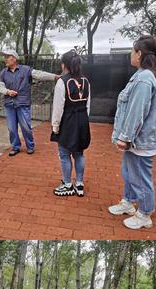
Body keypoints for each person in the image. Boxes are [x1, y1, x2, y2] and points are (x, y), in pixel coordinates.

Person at [108, 35, 156, 230]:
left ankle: (145, 213)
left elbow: (137, 112)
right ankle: (128, 202)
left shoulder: (144, 79)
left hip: (139, 140)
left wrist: (126, 137)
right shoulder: (139, 76)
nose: (131, 54)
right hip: (134, 140)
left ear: (140, 53)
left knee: (140, 176)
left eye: (132, 50)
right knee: (128, 172)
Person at [0, 49, 59, 156]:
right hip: (9, 105)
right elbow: (0, 86)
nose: (5, 59)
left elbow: (39, 74)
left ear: (15, 58)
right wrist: (7, 92)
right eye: (5, 57)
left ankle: (30, 146)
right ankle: (15, 146)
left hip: (23, 103)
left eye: (7, 56)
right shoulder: (3, 72)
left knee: (26, 127)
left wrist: (54, 76)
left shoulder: (26, 70)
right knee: (12, 128)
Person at [51, 50, 91, 197]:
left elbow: (58, 107)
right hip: (82, 120)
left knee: (64, 153)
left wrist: (55, 126)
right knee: (79, 153)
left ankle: (67, 184)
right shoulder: (86, 81)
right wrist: (84, 120)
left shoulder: (62, 82)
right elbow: (88, 105)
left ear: (64, 65)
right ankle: (79, 184)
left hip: (68, 121)